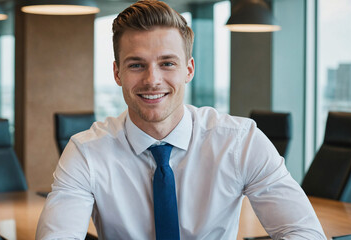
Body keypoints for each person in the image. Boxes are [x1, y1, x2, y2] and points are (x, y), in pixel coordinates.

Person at [36, 1, 326, 239]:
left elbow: (302, 231)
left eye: (167, 63)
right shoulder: (86, 152)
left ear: (188, 70)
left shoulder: (241, 141)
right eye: (136, 65)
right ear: (117, 74)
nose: (152, 80)